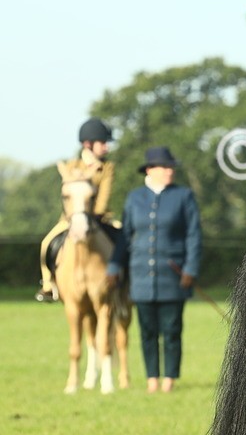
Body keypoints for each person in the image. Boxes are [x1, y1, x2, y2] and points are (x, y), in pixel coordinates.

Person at [107, 147, 202, 393]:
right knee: (147, 331)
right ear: (150, 170)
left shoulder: (184, 196)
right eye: (165, 167)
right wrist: (115, 265)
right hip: (140, 276)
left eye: (171, 167)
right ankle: (152, 379)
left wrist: (191, 268)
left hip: (174, 275)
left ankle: (169, 379)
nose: (170, 171)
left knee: (171, 331)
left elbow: (194, 235)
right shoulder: (134, 198)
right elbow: (125, 236)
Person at [37, 118, 116, 302]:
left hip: (100, 218)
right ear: (88, 144)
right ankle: (48, 285)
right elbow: (67, 194)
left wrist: (96, 213)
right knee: (46, 243)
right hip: (71, 219)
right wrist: (75, 216)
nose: (107, 148)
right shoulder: (72, 166)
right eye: (103, 143)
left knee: (125, 241)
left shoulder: (107, 168)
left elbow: (105, 194)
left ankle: (126, 281)